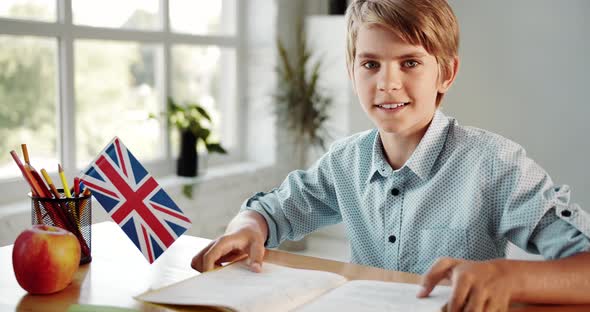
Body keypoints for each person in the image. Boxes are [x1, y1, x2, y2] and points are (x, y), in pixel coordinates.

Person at [192, 0, 590, 310]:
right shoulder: (344, 162)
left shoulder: (495, 165)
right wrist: (247, 226)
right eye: (370, 64)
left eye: (410, 62)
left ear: (446, 73)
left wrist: (509, 276)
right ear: (352, 72)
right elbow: (272, 210)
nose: (387, 83)